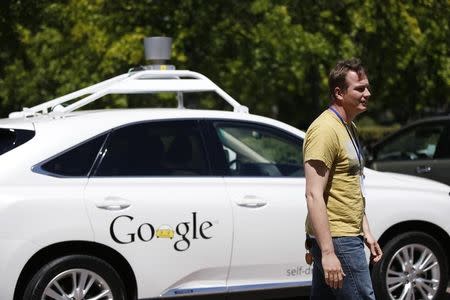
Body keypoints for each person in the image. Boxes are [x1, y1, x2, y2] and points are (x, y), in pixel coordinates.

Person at [303, 58, 383, 299]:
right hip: (339, 240)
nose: (367, 93)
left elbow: (351, 183)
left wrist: (365, 230)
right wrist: (328, 252)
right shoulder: (324, 131)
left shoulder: (348, 126)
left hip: (348, 234)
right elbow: (313, 194)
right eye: (360, 88)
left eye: (367, 87)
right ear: (339, 93)